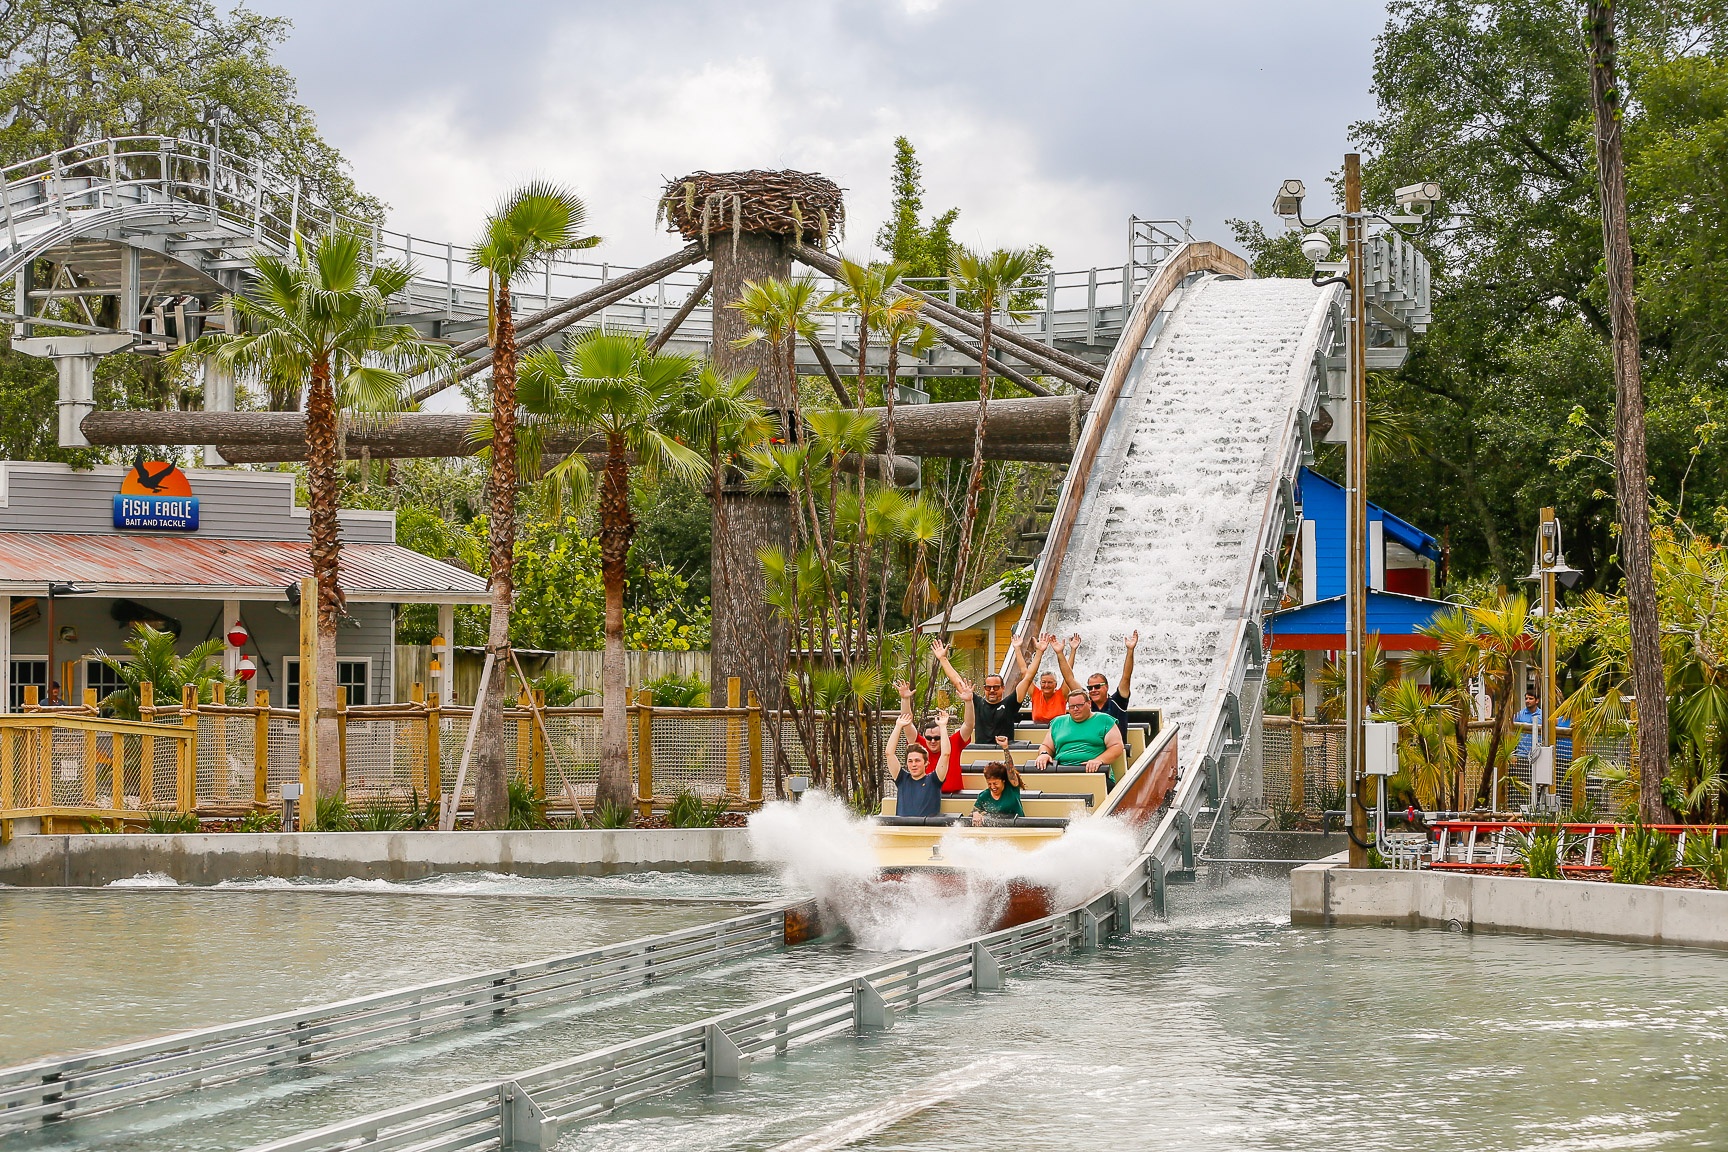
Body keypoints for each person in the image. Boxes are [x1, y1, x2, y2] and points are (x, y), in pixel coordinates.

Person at [931, 638, 1036, 746]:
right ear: (984, 688)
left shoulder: (1010, 704)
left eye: (995, 688)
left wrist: (1018, 649)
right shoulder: (977, 703)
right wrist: (943, 659)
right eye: (988, 687)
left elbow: (1028, 678)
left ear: (1003, 688)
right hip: (980, 753)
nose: (991, 691)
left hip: (1004, 751)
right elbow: (957, 682)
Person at [1055, 629, 1137, 740]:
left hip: (1115, 751)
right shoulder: (1085, 702)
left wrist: (1130, 650)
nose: (1093, 690)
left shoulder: (1118, 701)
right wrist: (1060, 653)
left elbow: (1126, 676)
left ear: (1106, 687)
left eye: (1097, 686)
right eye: (1090, 688)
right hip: (1090, 750)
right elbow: (1069, 678)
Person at [1035, 687, 1126, 787]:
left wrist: (1099, 760)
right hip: (1061, 773)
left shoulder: (1105, 720)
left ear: (1089, 704)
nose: (1075, 709)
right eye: (1072, 706)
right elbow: (1046, 746)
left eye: (1079, 705)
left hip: (1094, 773)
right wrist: (1044, 754)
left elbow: (1117, 746)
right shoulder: (1058, 722)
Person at [896, 679, 967, 794]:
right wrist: (905, 699)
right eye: (929, 738)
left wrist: (968, 702)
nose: (932, 741)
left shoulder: (953, 742)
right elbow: (906, 722)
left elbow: (969, 724)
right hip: (926, 797)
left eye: (937, 738)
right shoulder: (921, 746)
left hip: (953, 796)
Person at [885, 711, 951, 818]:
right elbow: (889, 753)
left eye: (917, 760)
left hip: (926, 830)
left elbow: (945, 754)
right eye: (910, 761)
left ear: (926, 763)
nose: (914, 764)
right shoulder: (902, 779)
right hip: (903, 829)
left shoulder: (934, 780)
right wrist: (898, 726)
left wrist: (943, 727)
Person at [1026, 634, 1075, 724]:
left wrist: (1072, 651)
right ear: (1040, 683)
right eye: (1043, 682)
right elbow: (1026, 675)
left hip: (1058, 733)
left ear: (1056, 684)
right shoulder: (1035, 694)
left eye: (1050, 682)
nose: (1046, 685)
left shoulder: (1061, 694)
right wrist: (1039, 652)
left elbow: (1068, 676)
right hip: (1035, 732)